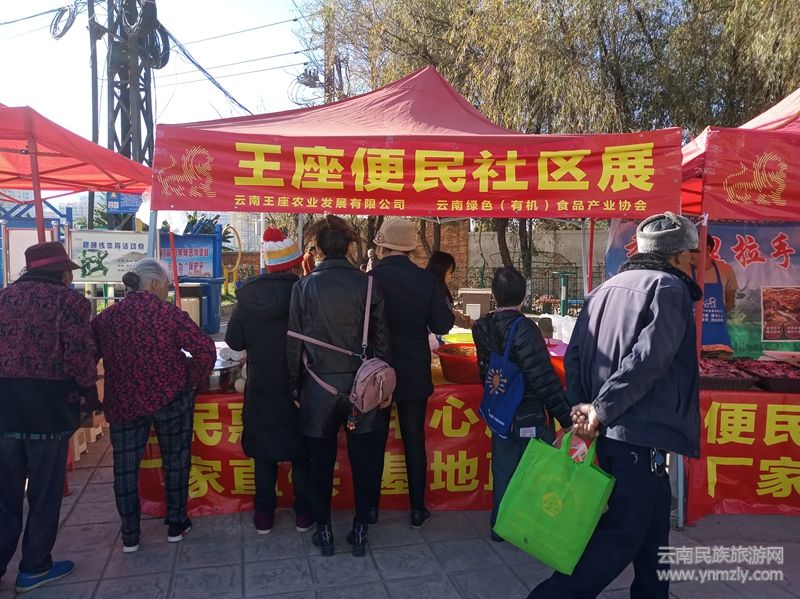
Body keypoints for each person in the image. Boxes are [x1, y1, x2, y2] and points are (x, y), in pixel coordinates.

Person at [529, 212, 702, 599]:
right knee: (621, 534)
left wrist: (583, 409)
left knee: (653, 529)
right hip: (637, 433)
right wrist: (600, 409)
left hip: (610, 430)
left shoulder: (604, 290)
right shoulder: (669, 288)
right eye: (690, 256)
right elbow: (647, 360)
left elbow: (574, 356)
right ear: (676, 256)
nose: (692, 262)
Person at [92, 258, 215, 553]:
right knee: (175, 460)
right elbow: (204, 349)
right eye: (167, 286)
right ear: (156, 283)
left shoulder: (106, 318)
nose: (167, 291)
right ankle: (176, 524)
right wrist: (193, 380)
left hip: (124, 401)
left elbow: (86, 357)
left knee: (124, 468)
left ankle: (130, 535)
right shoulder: (167, 313)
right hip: (170, 398)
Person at [287, 215, 391, 557]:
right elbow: (382, 343)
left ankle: (325, 531)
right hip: (363, 388)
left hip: (318, 388)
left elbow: (294, 344)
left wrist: (294, 387)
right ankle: (360, 529)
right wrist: (383, 386)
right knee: (365, 463)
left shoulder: (303, 287)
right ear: (348, 247)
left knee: (320, 464)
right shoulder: (369, 285)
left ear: (317, 249)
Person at [0, 242, 97, 593]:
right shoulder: (71, 302)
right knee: (44, 493)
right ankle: (35, 567)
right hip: (48, 409)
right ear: (63, 272)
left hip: (4, 410)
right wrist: (90, 392)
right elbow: (79, 355)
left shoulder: (3, 299)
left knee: (4, 496)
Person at [472, 267, 572, 542]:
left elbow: (485, 369)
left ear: (493, 294)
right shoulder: (525, 329)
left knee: (504, 467)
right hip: (529, 412)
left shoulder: (482, 326)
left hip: (500, 410)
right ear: (524, 295)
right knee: (539, 469)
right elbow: (542, 378)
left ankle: (500, 527)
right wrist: (565, 417)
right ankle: (532, 526)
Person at [225, 228, 314, 535]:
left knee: (263, 454)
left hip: (261, 387)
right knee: (301, 453)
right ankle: (303, 514)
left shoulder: (247, 297)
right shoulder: (306, 294)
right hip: (300, 386)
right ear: (295, 264)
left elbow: (234, 341)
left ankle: (263, 516)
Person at [370, 218, 455, 529]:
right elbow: (442, 324)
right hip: (414, 371)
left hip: (377, 372)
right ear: (409, 248)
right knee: (414, 440)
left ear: (383, 247)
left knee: (375, 441)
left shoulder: (370, 279)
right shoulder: (425, 280)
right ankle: (418, 509)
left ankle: (370, 510)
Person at [696, 234, 738, 348]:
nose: (690, 252)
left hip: (718, 338)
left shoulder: (725, 270)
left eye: (693, 247)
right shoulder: (684, 271)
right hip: (690, 338)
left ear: (707, 248)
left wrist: (713, 315)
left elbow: (730, 302)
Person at [425, 250, 473, 329]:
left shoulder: (438, 289)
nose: (451, 276)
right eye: (450, 272)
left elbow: (449, 312)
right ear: (442, 270)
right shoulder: (430, 291)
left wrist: (468, 322)